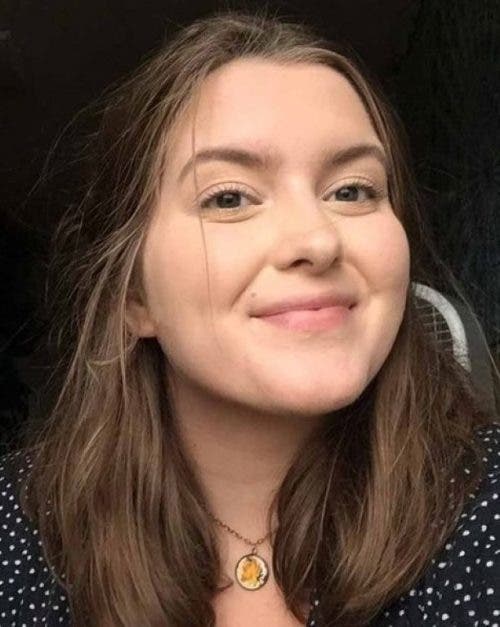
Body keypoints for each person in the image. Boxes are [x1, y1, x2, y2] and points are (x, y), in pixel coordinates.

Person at [0, 9, 499, 627]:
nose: (318, 240)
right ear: (133, 295)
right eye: (230, 197)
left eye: (352, 190)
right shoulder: (19, 533)